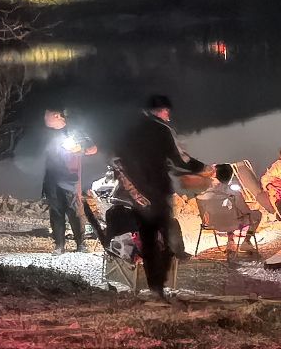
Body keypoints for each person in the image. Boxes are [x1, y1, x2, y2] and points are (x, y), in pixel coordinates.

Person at [110, 93, 205, 299]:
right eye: (166, 111)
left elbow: (116, 160)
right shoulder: (162, 130)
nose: (168, 115)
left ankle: (155, 286)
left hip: (137, 196)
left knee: (148, 238)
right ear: (161, 111)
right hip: (158, 192)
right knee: (169, 235)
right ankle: (160, 283)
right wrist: (202, 168)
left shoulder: (126, 132)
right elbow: (180, 160)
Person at [40, 109, 98, 254]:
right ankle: (59, 245)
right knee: (56, 211)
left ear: (57, 115)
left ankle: (80, 243)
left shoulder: (74, 131)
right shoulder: (47, 133)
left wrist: (80, 149)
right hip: (51, 178)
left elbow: (93, 148)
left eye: (46, 115)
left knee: (74, 211)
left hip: (70, 179)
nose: (44, 118)